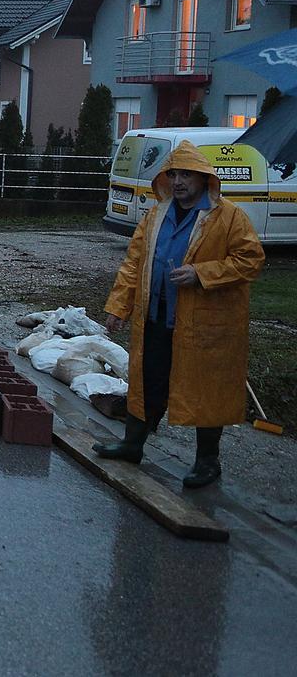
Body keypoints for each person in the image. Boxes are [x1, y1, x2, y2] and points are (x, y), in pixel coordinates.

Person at [94, 141, 264, 488]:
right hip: (156, 316)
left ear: (204, 178)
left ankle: (207, 463)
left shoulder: (228, 217)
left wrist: (202, 273)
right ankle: (132, 445)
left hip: (203, 326)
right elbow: (133, 264)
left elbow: (250, 259)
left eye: (187, 174)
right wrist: (118, 307)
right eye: (173, 174)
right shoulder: (156, 215)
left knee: (206, 389)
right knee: (146, 381)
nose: (179, 181)